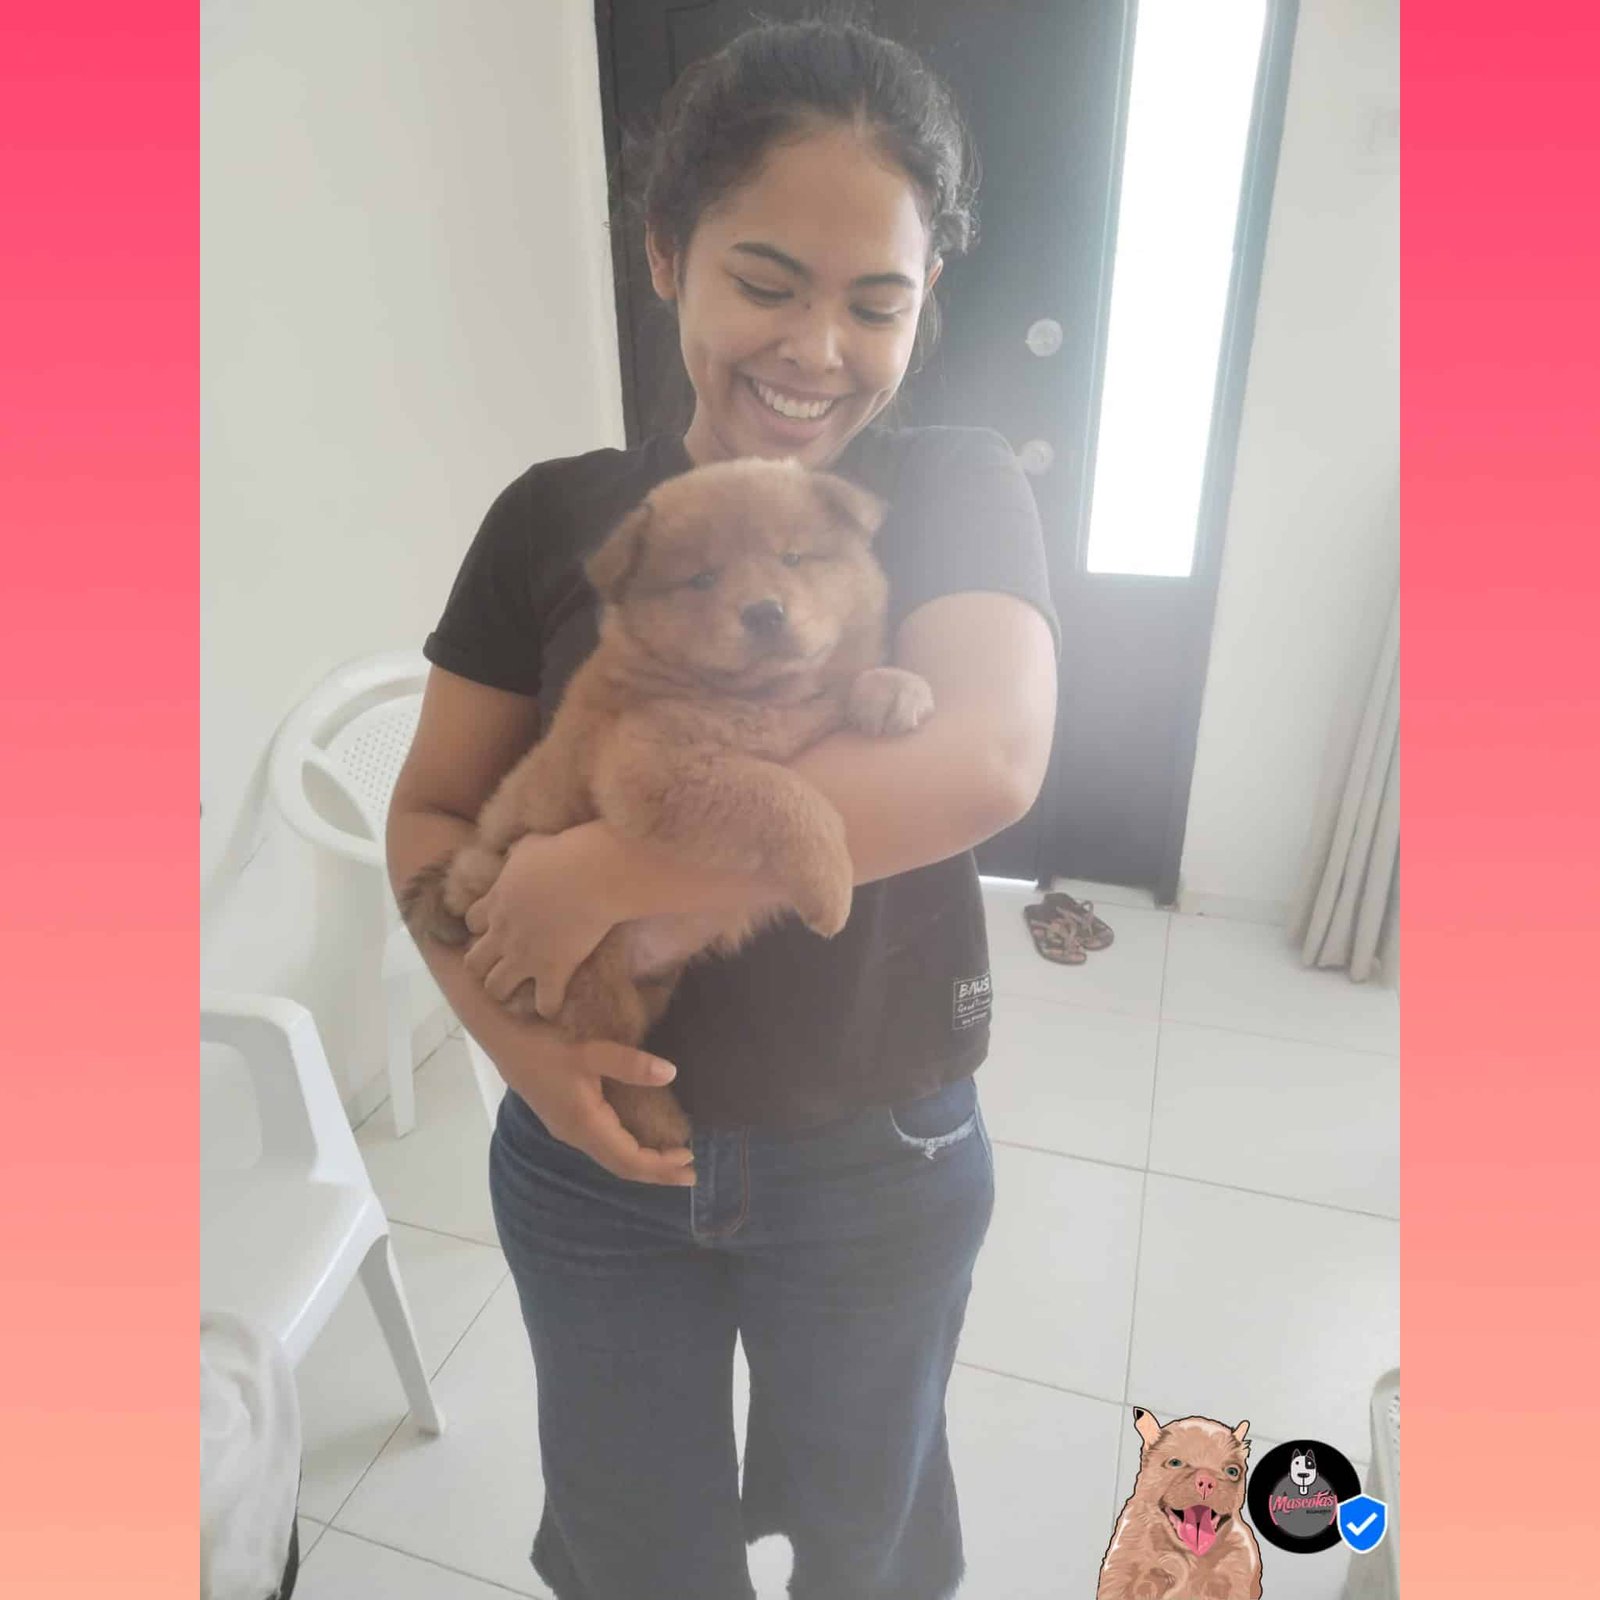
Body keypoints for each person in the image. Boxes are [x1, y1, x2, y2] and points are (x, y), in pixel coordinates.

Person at [386, 18, 1060, 1599]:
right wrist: (513, 1045)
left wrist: (605, 872)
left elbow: (985, 760)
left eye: (876, 302)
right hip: (590, 1154)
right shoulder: (557, 518)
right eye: (767, 281)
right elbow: (431, 816)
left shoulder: (946, 486)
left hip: (875, 1145)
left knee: (866, 1545)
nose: (818, 348)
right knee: (637, 1553)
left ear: (925, 305)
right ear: (665, 253)